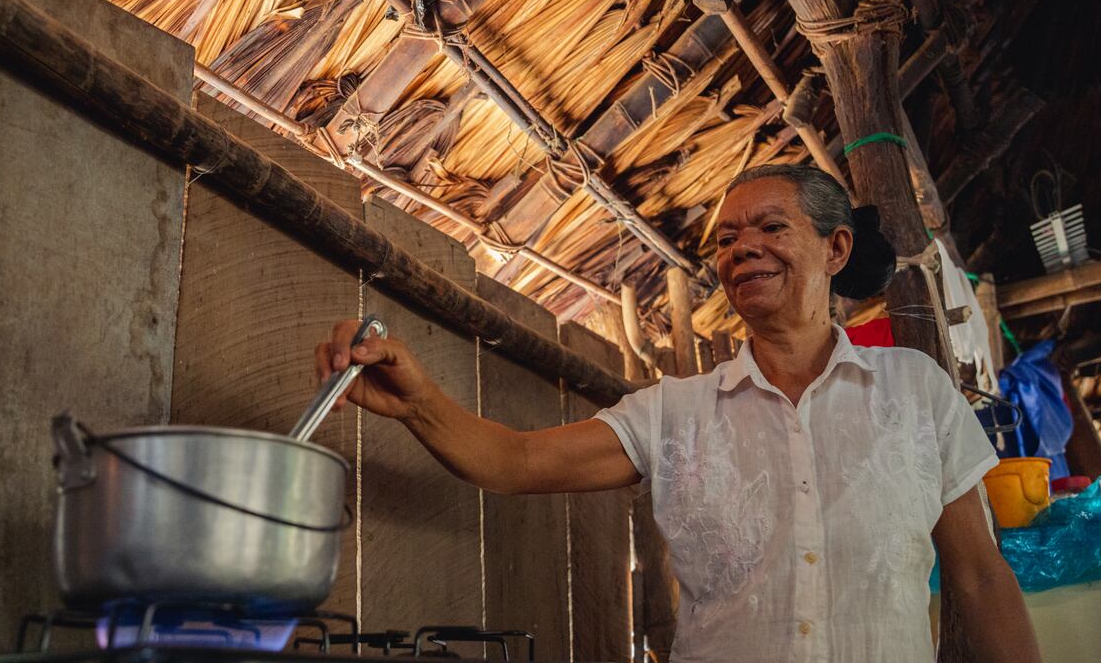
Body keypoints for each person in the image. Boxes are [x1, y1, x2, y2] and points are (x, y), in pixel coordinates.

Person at [314, 164, 1040, 662]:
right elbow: (516, 461)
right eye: (726, 239)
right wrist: (420, 405)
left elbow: (979, 578)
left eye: (770, 228)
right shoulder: (677, 416)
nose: (742, 248)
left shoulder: (915, 390)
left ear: (836, 247)